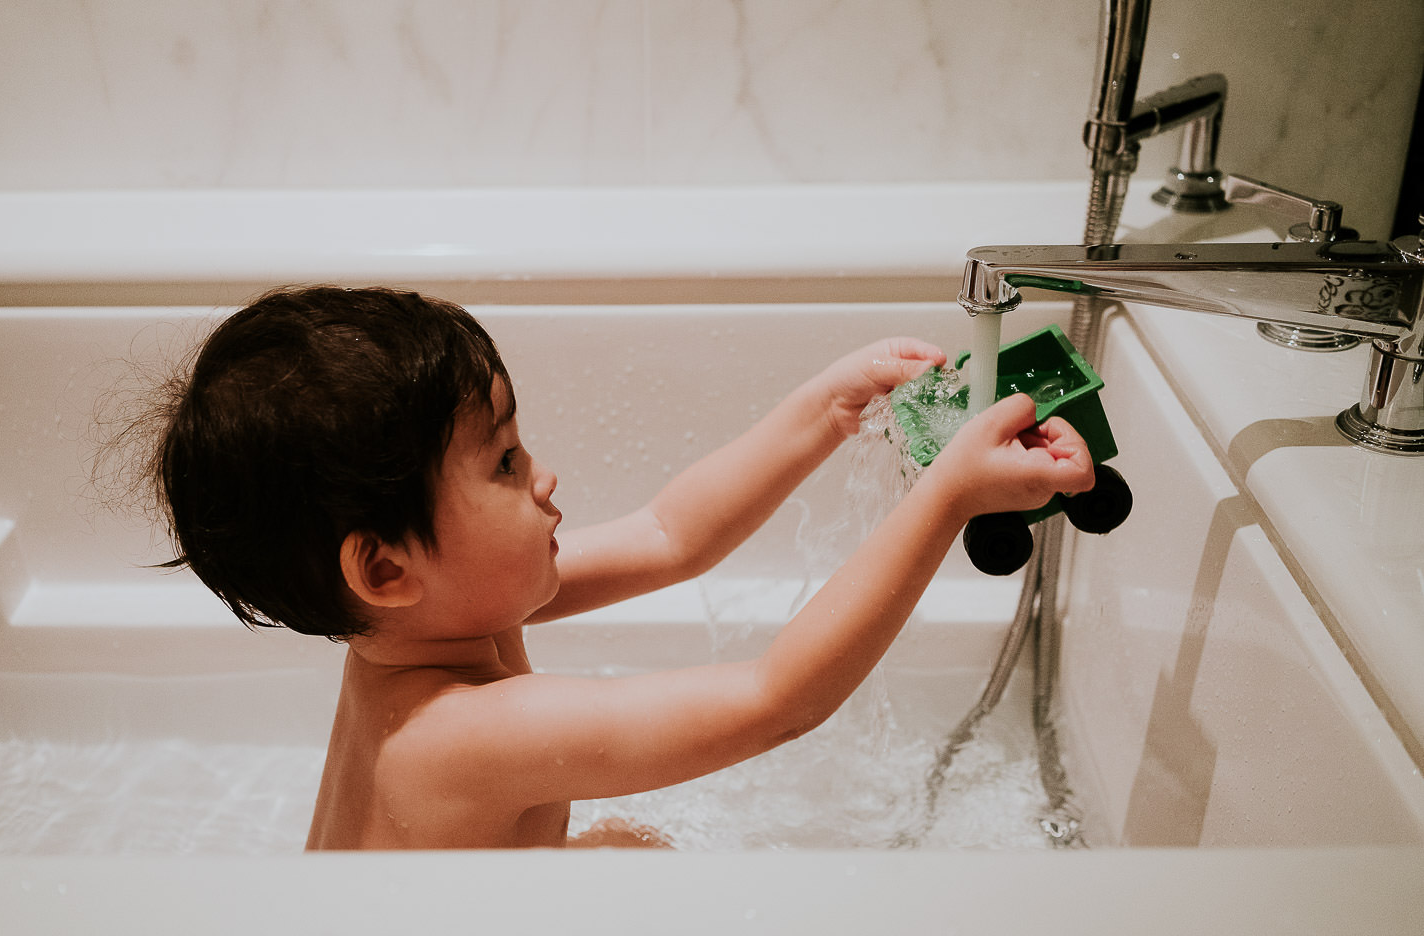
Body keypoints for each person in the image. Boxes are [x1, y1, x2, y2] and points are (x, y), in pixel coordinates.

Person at [146, 285, 1094, 850]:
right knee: (636, 856)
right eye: (506, 463)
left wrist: (827, 407)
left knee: (625, 850)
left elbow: (670, 535)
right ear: (386, 569)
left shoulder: (426, 623)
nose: (545, 475)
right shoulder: (457, 735)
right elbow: (777, 700)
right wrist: (947, 499)